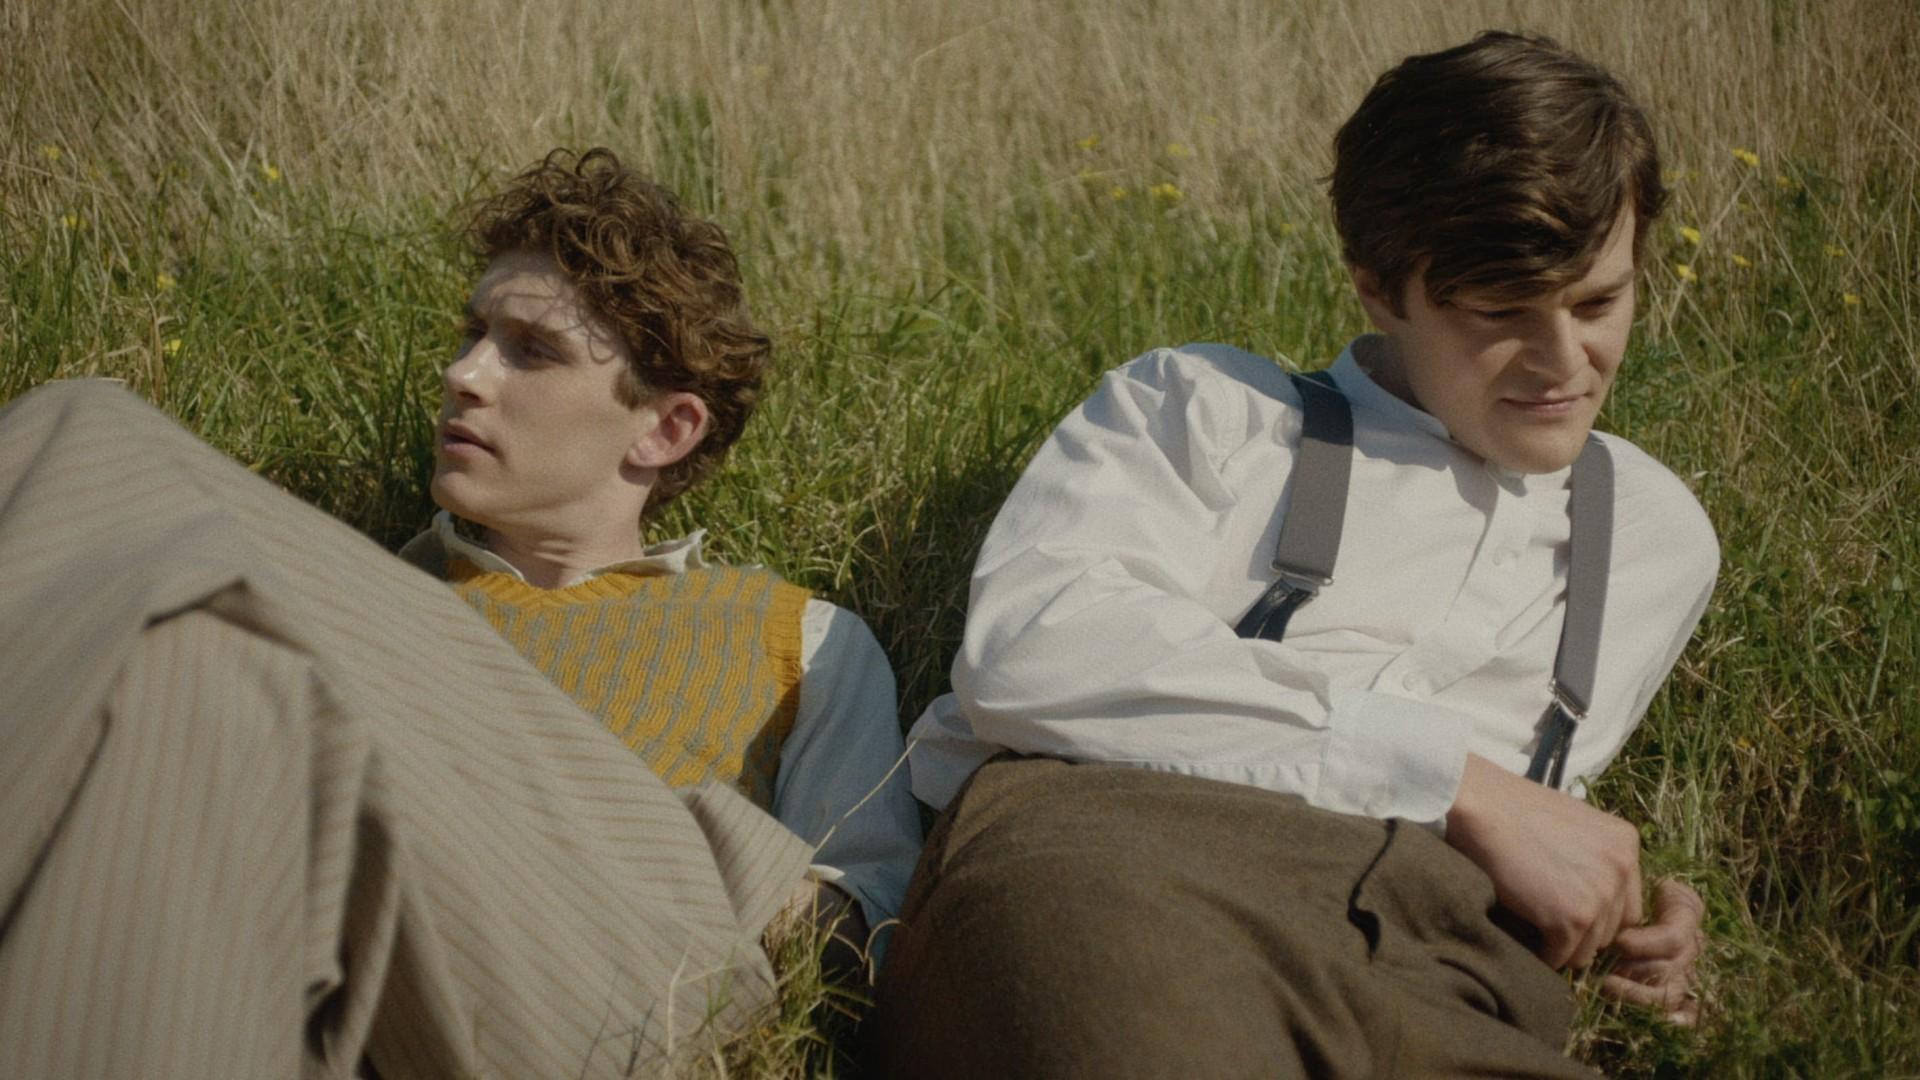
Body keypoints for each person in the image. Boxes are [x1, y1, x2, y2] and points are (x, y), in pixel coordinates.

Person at [869, 31, 1718, 1078]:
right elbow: (1032, 652)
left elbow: (1549, 804)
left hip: (1449, 959)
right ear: (1379, 290)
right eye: (1501, 314)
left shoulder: (1655, 536)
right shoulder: (1211, 408)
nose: (1563, 362)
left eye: (1598, 303)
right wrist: (1454, 781)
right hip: (1131, 866)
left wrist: (1628, 916)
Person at [0, 148, 916, 1079]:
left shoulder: (798, 638)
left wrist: (597, 817)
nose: (464, 372)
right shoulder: (386, 591)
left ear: (665, 427)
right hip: (373, 971)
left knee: (89, 427)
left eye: (532, 350)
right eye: (474, 333)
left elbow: (864, 947)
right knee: (190, 675)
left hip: (627, 993)